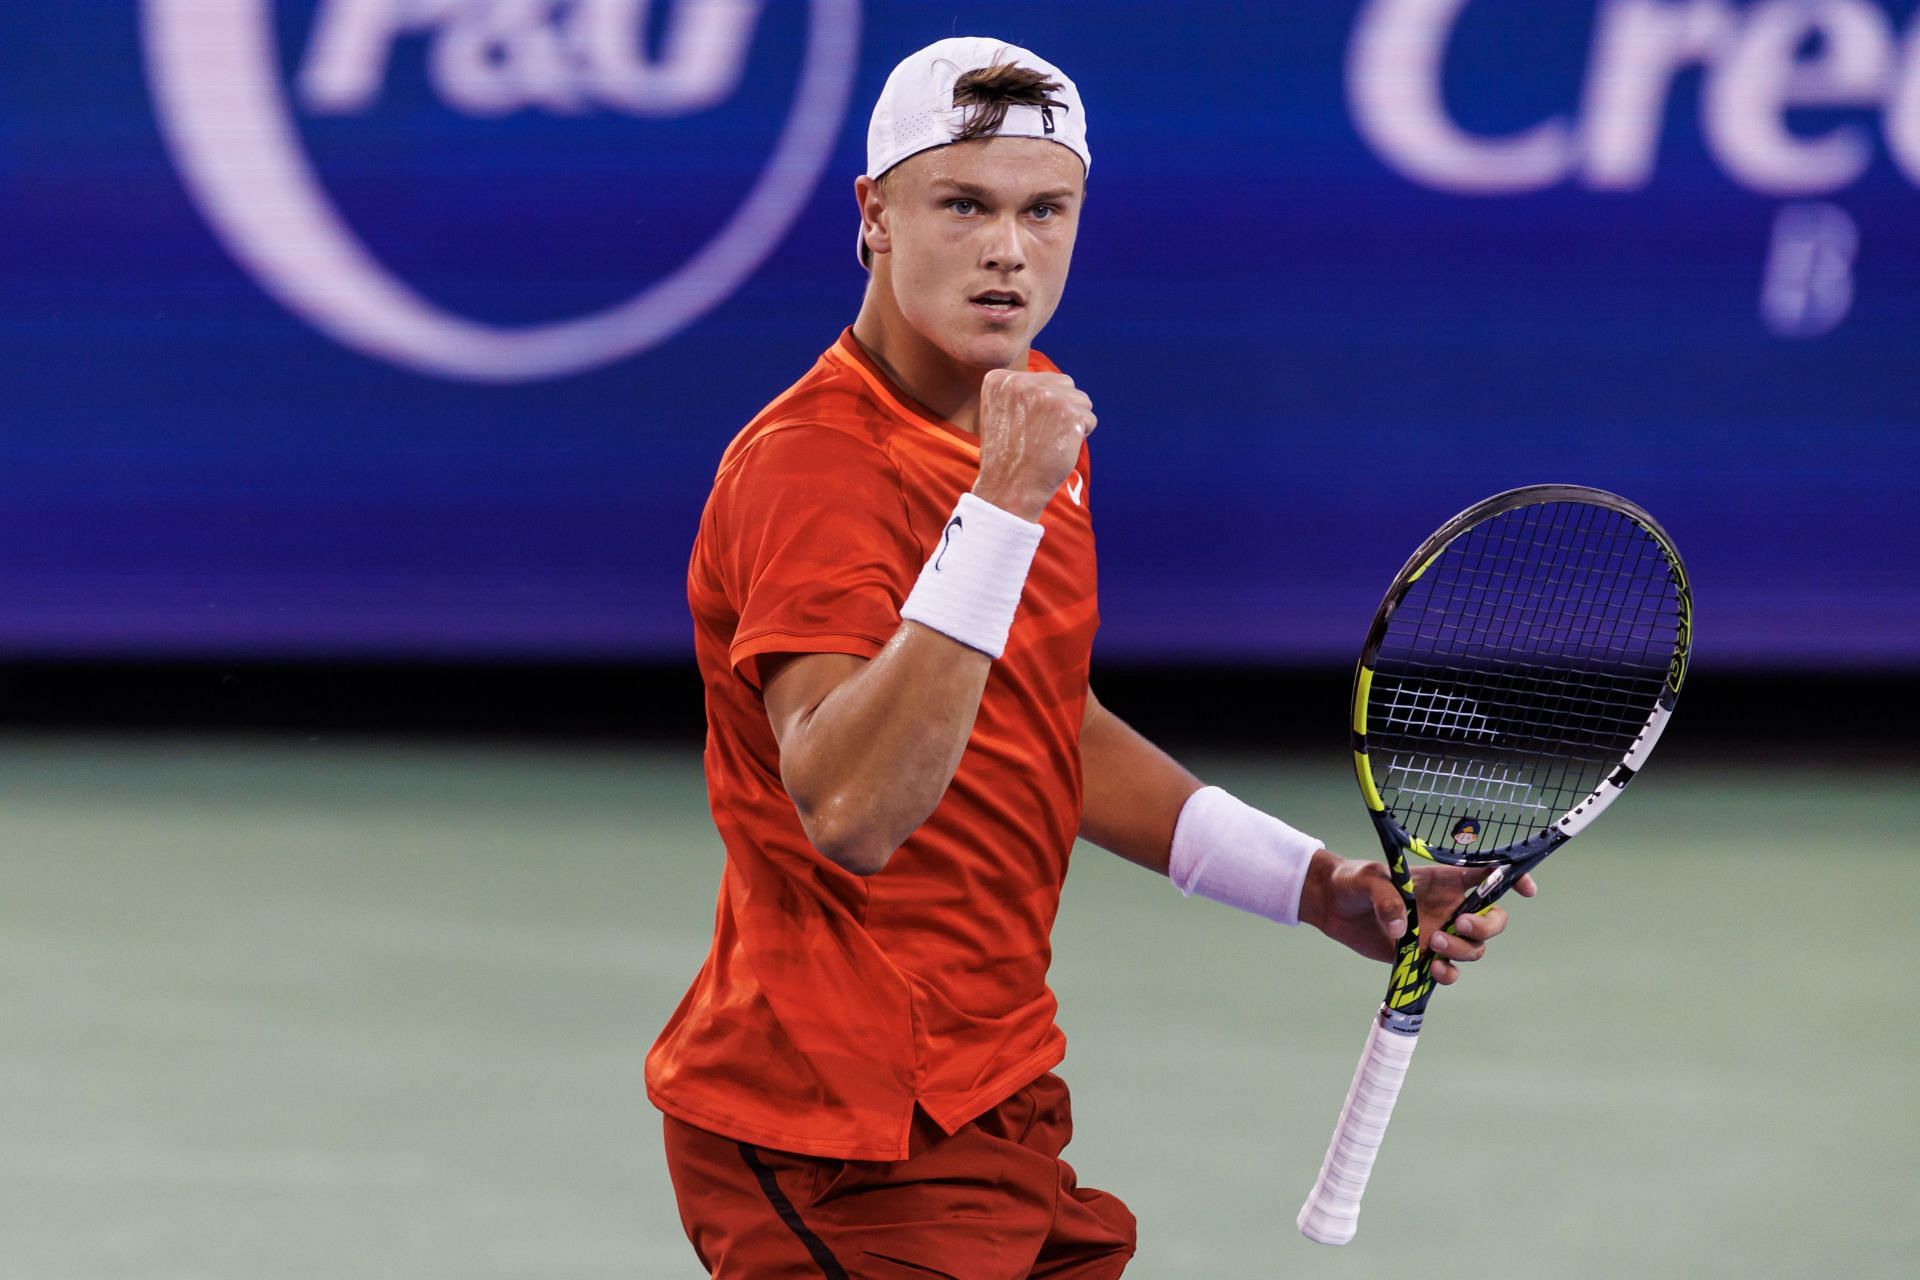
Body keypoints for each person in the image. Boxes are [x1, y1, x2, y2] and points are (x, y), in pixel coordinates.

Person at [647, 36, 1535, 1279]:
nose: (1008, 247)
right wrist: (1000, 509)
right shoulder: (818, 469)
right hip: (839, 1131)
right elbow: (848, 809)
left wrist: (1317, 885)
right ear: (875, 216)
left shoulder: (1033, 409)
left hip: (992, 1088)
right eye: (963, 204)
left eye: (1043, 208)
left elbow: (1043, 720)